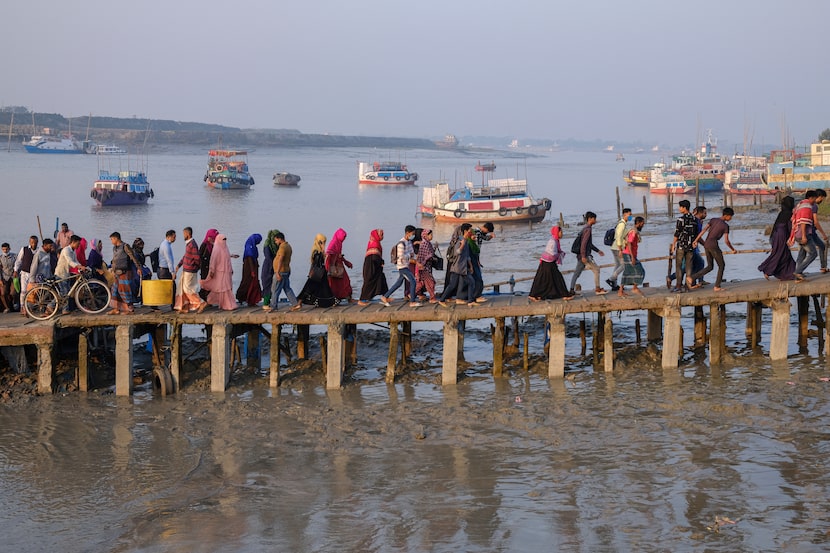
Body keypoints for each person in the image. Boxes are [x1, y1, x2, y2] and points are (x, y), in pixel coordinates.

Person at [690, 207, 737, 292]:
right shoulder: (725, 226)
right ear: (726, 216)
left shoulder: (713, 220)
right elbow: (726, 241)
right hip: (713, 245)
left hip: (706, 244)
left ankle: (692, 278)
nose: (731, 218)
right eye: (730, 216)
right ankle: (717, 286)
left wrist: (696, 240)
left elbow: (703, 230)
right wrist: (733, 249)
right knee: (721, 265)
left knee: (710, 266)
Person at [529, 225, 573, 301]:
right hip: (547, 262)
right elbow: (552, 253)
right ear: (557, 232)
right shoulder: (553, 241)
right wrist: (558, 254)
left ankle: (536, 294)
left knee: (547, 279)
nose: (562, 234)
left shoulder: (555, 240)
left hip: (548, 262)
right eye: (561, 232)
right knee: (553, 278)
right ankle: (564, 295)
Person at [381, 225, 421, 307]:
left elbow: (412, 253)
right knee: (413, 282)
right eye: (412, 233)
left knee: (399, 283)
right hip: (402, 266)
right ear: (407, 233)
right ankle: (412, 301)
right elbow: (401, 256)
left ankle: (385, 297)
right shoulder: (401, 244)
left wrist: (412, 257)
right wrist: (410, 256)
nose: (412, 235)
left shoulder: (409, 242)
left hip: (406, 265)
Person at [758, 196, 796, 281]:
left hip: (777, 234)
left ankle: (787, 274)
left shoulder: (782, 213)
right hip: (782, 236)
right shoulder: (789, 213)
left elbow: (776, 225)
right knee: (779, 253)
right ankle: (767, 270)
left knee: (785, 254)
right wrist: (792, 237)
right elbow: (790, 227)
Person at [438, 225, 477, 307]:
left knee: (470, 282)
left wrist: (471, 266)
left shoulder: (465, 240)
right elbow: (457, 252)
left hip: (463, 268)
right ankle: (442, 300)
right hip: (458, 268)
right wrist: (462, 245)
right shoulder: (460, 241)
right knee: (453, 285)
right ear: (466, 231)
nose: (471, 232)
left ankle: (470, 301)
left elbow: (467, 256)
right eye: (470, 230)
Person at [569, 211, 606, 295]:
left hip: (582, 255)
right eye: (594, 219)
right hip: (585, 256)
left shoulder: (585, 228)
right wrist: (583, 256)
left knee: (577, 273)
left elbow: (589, 244)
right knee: (596, 269)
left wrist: (598, 250)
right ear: (590, 219)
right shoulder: (588, 229)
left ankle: (571, 290)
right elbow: (584, 244)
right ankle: (597, 289)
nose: (596, 220)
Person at [296, 233, 337, 308]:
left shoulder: (317, 251)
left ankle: (331, 302)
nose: (325, 243)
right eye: (323, 242)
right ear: (320, 242)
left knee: (323, 289)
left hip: (319, 273)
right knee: (310, 288)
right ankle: (299, 302)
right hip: (319, 273)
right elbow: (318, 264)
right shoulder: (317, 252)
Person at [174, 226, 206, 313]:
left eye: (184, 234)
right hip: (186, 270)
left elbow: (197, 258)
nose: (183, 235)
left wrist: (195, 267)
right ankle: (185, 307)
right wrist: (179, 265)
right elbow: (186, 256)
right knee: (183, 289)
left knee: (188, 289)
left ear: (188, 234)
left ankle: (201, 303)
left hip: (190, 270)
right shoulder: (189, 244)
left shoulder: (193, 244)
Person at [200, 234, 237, 310]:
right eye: (223, 240)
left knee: (227, 287)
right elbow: (213, 260)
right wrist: (212, 270)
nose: (224, 241)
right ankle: (223, 303)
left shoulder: (225, 248)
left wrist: (231, 269)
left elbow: (228, 260)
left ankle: (226, 303)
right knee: (221, 288)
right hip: (219, 272)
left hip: (226, 272)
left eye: (225, 240)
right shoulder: (216, 248)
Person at [263, 232, 298, 311]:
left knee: (275, 289)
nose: (275, 242)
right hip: (286, 270)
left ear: (280, 239)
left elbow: (280, 259)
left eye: (276, 240)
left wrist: (277, 272)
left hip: (281, 271)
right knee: (287, 288)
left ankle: (273, 306)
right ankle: (295, 304)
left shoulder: (282, 247)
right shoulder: (288, 246)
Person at [108, 232, 142, 315]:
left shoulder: (125, 246)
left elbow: (133, 257)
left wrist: (138, 267)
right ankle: (116, 309)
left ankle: (130, 309)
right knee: (114, 290)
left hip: (125, 272)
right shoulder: (114, 248)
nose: (111, 241)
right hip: (116, 272)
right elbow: (114, 259)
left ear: (116, 238)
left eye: (112, 239)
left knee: (125, 290)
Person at [790, 190, 819, 281]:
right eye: (815, 199)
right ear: (811, 198)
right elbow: (803, 222)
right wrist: (804, 236)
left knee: (802, 254)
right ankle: (798, 271)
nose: (815, 201)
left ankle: (798, 275)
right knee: (813, 254)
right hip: (803, 233)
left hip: (797, 233)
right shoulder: (807, 207)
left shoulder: (800, 204)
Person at [670, 199, 697, 293]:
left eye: (680, 207)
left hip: (681, 245)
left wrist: (673, 244)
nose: (679, 208)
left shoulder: (680, 219)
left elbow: (677, 233)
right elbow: (695, 232)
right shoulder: (694, 219)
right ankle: (687, 285)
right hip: (690, 246)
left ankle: (678, 285)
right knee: (689, 266)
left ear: (684, 208)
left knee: (678, 265)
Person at [54, 235, 85, 314]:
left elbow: (76, 261)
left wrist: (82, 267)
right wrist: (79, 266)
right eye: (78, 243)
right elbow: (70, 261)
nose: (79, 245)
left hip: (66, 274)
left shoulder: (73, 251)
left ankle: (52, 307)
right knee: (64, 292)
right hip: (60, 273)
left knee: (65, 292)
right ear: (73, 242)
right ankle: (63, 309)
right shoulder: (66, 250)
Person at [358, 229, 388, 306]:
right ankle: (362, 300)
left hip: (374, 265)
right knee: (369, 282)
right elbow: (374, 257)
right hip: (371, 266)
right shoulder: (375, 244)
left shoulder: (374, 242)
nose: (382, 237)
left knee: (381, 278)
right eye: (381, 235)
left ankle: (386, 296)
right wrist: (380, 262)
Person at [618, 217, 646, 297]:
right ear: (639, 223)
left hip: (629, 254)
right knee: (640, 270)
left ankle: (622, 290)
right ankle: (634, 288)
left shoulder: (634, 231)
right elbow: (629, 243)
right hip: (628, 254)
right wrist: (632, 257)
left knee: (628, 271)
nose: (643, 225)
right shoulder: (633, 232)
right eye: (642, 223)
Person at [325, 228, 354, 304]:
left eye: (344, 237)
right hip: (335, 267)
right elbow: (329, 253)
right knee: (339, 283)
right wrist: (328, 267)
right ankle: (338, 299)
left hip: (339, 266)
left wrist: (346, 262)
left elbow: (338, 254)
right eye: (343, 237)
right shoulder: (334, 242)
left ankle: (347, 298)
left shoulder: (339, 243)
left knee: (345, 282)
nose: (344, 239)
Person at [607, 208, 632, 292]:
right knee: (624, 265)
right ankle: (611, 279)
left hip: (615, 247)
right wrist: (620, 249)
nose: (630, 216)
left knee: (617, 265)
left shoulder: (623, 224)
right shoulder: (621, 224)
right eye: (629, 215)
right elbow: (618, 237)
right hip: (617, 247)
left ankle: (614, 285)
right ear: (625, 215)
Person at [236, 233, 263, 306]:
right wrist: (252, 271)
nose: (259, 242)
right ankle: (241, 297)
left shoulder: (253, 246)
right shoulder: (249, 246)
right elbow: (249, 258)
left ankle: (251, 299)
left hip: (252, 266)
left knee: (253, 282)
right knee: (246, 282)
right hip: (249, 267)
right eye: (258, 240)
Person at [13, 236, 38, 313]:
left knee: (32, 292)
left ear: (37, 242)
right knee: (23, 291)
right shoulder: (24, 249)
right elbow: (18, 260)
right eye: (32, 242)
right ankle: (22, 307)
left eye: (35, 242)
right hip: (24, 273)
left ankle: (29, 307)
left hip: (34, 274)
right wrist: (15, 270)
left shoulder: (39, 251)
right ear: (29, 242)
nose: (33, 244)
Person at [470, 222, 494, 299]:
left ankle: (475, 295)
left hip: (474, 257)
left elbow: (485, 238)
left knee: (475, 277)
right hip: (473, 257)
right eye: (488, 231)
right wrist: (477, 260)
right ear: (486, 229)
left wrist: (491, 236)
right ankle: (477, 295)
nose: (487, 233)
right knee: (478, 277)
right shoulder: (477, 233)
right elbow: (475, 248)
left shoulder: (479, 232)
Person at [414, 228, 439, 303]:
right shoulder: (424, 243)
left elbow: (430, 253)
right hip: (423, 267)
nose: (432, 236)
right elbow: (426, 255)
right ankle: (432, 298)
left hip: (425, 266)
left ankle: (412, 294)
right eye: (431, 235)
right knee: (430, 282)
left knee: (421, 283)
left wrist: (435, 247)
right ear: (426, 235)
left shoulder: (428, 243)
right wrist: (431, 257)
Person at [261, 229, 281, 308]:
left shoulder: (276, 246)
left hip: (274, 267)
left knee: (274, 286)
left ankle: (271, 303)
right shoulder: (267, 245)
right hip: (268, 267)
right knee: (267, 285)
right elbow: (268, 257)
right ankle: (266, 303)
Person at [157, 230, 177, 305]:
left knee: (166, 288)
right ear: (169, 237)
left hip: (162, 269)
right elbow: (169, 260)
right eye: (174, 237)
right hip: (164, 270)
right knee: (171, 287)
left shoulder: (165, 244)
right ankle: (173, 305)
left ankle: (172, 304)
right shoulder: (166, 246)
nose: (175, 239)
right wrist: (172, 272)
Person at [198, 228, 219, 301]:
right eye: (212, 238)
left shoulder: (212, 245)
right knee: (206, 283)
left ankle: (208, 299)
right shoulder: (204, 245)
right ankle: (204, 297)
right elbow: (199, 256)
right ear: (208, 237)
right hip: (204, 267)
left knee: (210, 283)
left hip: (210, 267)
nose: (213, 239)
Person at [813, 189, 829, 273]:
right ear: (819, 197)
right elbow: (816, 222)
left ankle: (798, 270)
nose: (822, 200)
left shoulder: (808, 204)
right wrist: (823, 234)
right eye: (822, 198)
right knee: (821, 247)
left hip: (808, 230)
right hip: (811, 231)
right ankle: (823, 267)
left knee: (803, 252)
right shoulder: (814, 206)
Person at [0, 242, 16, 312]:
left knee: (12, 293)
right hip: (4, 277)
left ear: (9, 249)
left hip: (13, 277)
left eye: (6, 249)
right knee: (4, 293)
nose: (5, 251)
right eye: (3, 249)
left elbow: (17, 265)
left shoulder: (14, 256)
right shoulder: (0, 258)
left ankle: (12, 305)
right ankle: (7, 307)